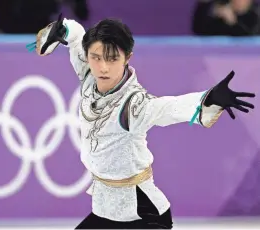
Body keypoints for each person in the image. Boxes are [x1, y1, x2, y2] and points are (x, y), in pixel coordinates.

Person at [27, 14, 255, 229]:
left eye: (112, 58)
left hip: (144, 216)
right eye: (96, 57)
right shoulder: (88, 74)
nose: (103, 67)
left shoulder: (133, 105)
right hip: (106, 210)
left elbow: (169, 108)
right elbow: (76, 36)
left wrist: (209, 99)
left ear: (128, 57)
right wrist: (62, 30)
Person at [192, 0, 260, 36]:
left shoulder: (256, 16)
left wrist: (233, 23)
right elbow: (199, 31)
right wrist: (203, 5)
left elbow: (250, 40)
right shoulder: (222, 16)